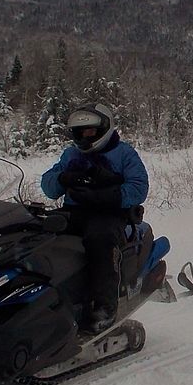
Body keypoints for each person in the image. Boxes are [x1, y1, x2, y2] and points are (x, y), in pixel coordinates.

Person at [40, 103, 149, 334]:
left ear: (104, 129)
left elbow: (139, 187)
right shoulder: (71, 154)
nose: (85, 136)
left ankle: (105, 306)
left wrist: (108, 195)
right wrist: (63, 178)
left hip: (109, 214)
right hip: (74, 212)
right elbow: (49, 187)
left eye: (90, 131)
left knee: (100, 239)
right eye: (80, 132)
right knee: (37, 233)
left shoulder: (123, 153)